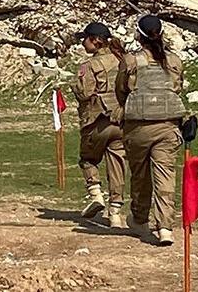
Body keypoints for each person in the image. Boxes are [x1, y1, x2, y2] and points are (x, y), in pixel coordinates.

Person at [115, 15, 185, 247]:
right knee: (166, 176)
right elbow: (177, 87)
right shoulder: (174, 61)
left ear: (138, 35)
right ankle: (165, 227)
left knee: (140, 175)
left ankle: (140, 218)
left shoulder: (131, 61)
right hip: (168, 126)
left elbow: (121, 90)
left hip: (139, 127)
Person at [71, 21, 127, 228]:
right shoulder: (123, 60)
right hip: (120, 120)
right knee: (117, 165)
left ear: (95, 40)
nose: (83, 43)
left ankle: (95, 193)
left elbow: (85, 93)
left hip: (96, 121)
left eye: (84, 39)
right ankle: (116, 213)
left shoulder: (89, 65)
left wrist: (75, 87)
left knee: (87, 159)